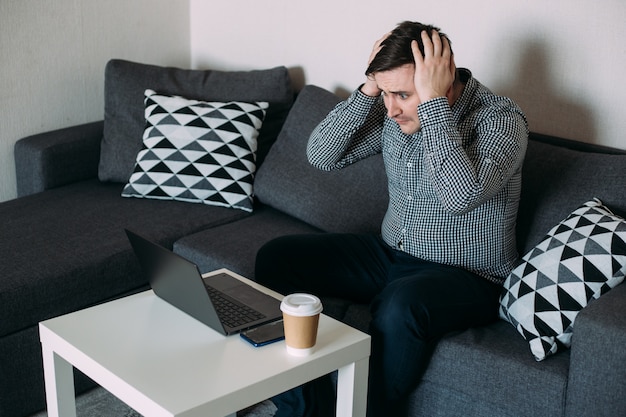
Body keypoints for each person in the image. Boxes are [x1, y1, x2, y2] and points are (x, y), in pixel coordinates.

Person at [255, 21, 528, 417]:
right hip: (389, 254)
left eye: (402, 94)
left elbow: (460, 195)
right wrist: (369, 88)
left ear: (442, 82)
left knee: (402, 305)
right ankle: (302, 408)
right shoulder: (394, 113)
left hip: (468, 276)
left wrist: (433, 107)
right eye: (385, 94)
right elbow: (321, 155)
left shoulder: (501, 121)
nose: (392, 107)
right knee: (277, 258)